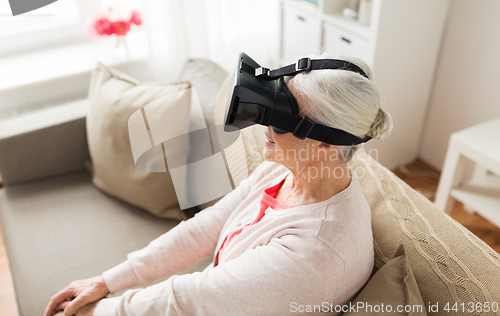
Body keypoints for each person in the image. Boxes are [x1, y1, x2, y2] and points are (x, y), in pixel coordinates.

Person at [45, 53, 393, 316]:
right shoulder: (288, 170)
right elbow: (206, 227)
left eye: (280, 119)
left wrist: (96, 310)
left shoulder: (314, 252)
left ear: (327, 144)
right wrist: (108, 281)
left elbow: (188, 299)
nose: (264, 127)